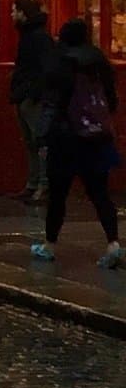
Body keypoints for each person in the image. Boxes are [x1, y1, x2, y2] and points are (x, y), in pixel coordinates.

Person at [31, 18, 123, 268]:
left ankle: (49, 245)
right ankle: (113, 243)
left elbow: (52, 104)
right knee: (100, 193)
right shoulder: (99, 62)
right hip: (97, 137)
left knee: (58, 195)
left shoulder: (61, 62)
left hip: (66, 139)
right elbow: (111, 100)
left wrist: (42, 136)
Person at [9, 0, 54, 203]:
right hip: (26, 95)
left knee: (39, 141)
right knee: (32, 142)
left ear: (23, 14)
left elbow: (44, 69)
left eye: (14, 10)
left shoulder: (36, 37)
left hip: (31, 97)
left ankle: (42, 184)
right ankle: (34, 183)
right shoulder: (33, 35)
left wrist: (32, 93)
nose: (11, 14)